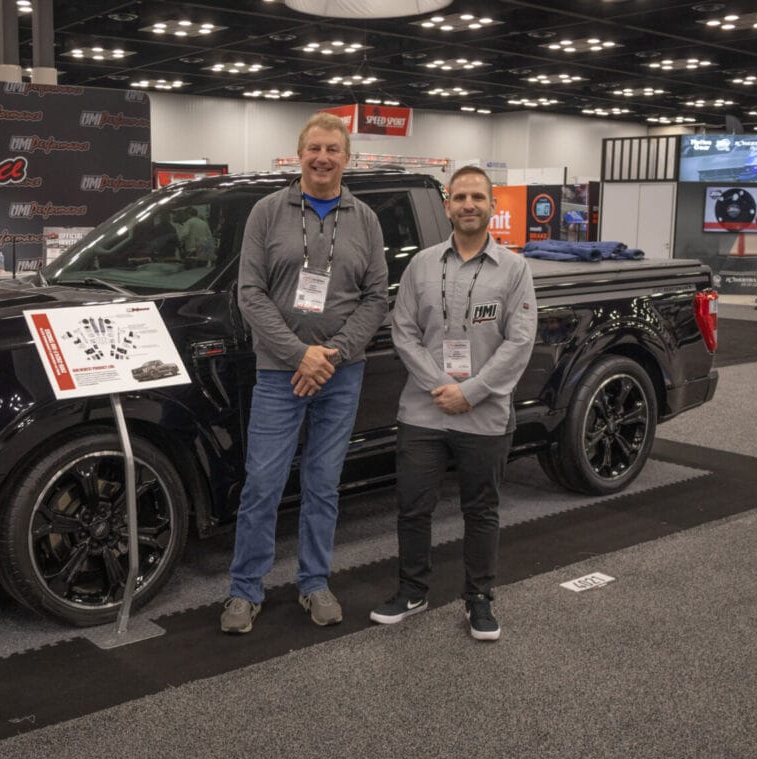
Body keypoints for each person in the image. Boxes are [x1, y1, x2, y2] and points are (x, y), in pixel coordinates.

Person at [220, 112, 388, 634]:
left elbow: (376, 296)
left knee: (323, 485)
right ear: (299, 154)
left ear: (346, 158)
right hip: (278, 373)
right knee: (263, 484)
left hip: (342, 374)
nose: (322, 158)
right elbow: (250, 293)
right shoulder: (267, 213)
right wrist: (300, 356)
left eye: (332, 150)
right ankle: (245, 590)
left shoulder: (364, 218)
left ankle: (314, 583)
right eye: (314, 148)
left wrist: (331, 355)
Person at [369, 166, 537, 641]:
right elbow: (403, 331)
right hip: (423, 411)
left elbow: (520, 341)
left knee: (481, 510)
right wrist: (439, 384)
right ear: (447, 206)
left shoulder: (515, 269)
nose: (468, 204)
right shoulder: (421, 265)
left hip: (484, 414)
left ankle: (479, 599)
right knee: (412, 507)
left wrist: (472, 391)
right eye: (460, 196)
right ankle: (412, 590)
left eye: (477, 198)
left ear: (491, 206)